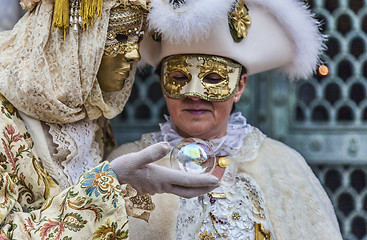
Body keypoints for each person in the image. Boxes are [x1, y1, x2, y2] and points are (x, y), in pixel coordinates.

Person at [107, 0, 344, 239]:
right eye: (179, 77)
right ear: (162, 84)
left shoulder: (285, 167)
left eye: (213, 78)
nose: (194, 94)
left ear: (239, 86)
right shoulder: (128, 165)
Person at [0, 0, 219, 238]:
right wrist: (104, 187)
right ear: (74, 39)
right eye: (121, 38)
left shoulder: (89, 113)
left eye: (137, 40)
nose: (134, 55)